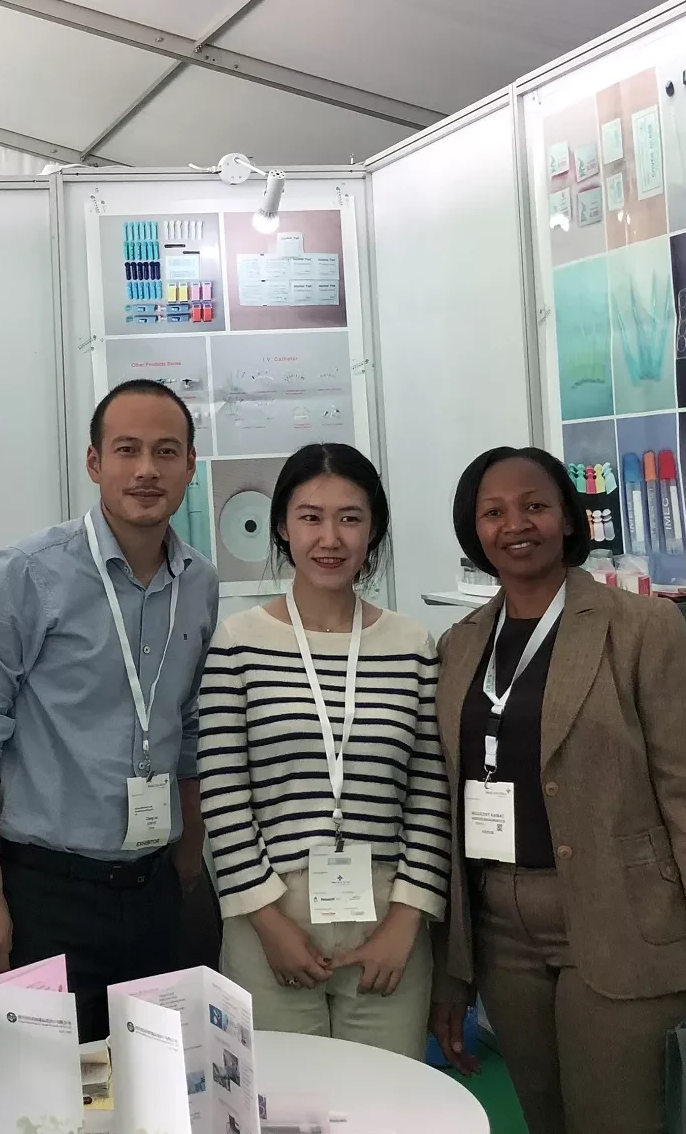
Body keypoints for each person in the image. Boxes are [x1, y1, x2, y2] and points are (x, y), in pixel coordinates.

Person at [429, 446, 686, 1134]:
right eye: (493, 512)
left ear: (568, 517)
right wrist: (452, 969)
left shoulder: (642, 628)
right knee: (545, 1120)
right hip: (501, 935)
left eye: (535, 506)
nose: (516, 524)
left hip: (622, 923)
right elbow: (445, 807)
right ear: (473, 531)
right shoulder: (460, 644)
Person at [0, 379, 218, 1039]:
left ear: (189, 466)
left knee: (154, 1081)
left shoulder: (200, 585)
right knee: (48, 1088)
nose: (146, 469)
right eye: (127, 450)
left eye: (166, 452)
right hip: (45, 896)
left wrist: (189, 856)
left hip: (154, 889)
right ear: (95, 462)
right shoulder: (27, 574)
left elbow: (187, 727)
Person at [197, 443, 449, 1057]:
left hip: (386, 914)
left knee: (387, 1099)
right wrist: (268, 922)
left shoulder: (412, 645)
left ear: (373, 529)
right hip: (271, 911)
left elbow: (429, 792)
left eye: (349, 518)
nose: (329, 539)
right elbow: (223, 793)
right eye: (310, 517)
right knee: (283, 1100)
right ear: (283, 526)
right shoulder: (238, 643)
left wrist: (406, 919)